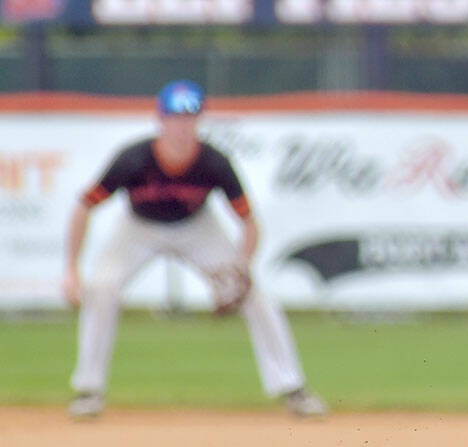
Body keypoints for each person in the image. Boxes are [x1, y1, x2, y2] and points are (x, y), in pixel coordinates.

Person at [62, 80, 327, 419]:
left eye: (190, 117)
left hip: (197, 228)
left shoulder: (214, 163)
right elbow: (84, 206)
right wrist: (71, 269)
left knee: (255, 297)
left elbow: (249, 222)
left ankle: (292, 388)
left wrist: (241, 267)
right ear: (160, 119)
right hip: (138, 228)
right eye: (175, 117)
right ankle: (88, 390)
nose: (183, 126)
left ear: (200, 121)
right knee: (101, 288)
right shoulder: (134, 159)